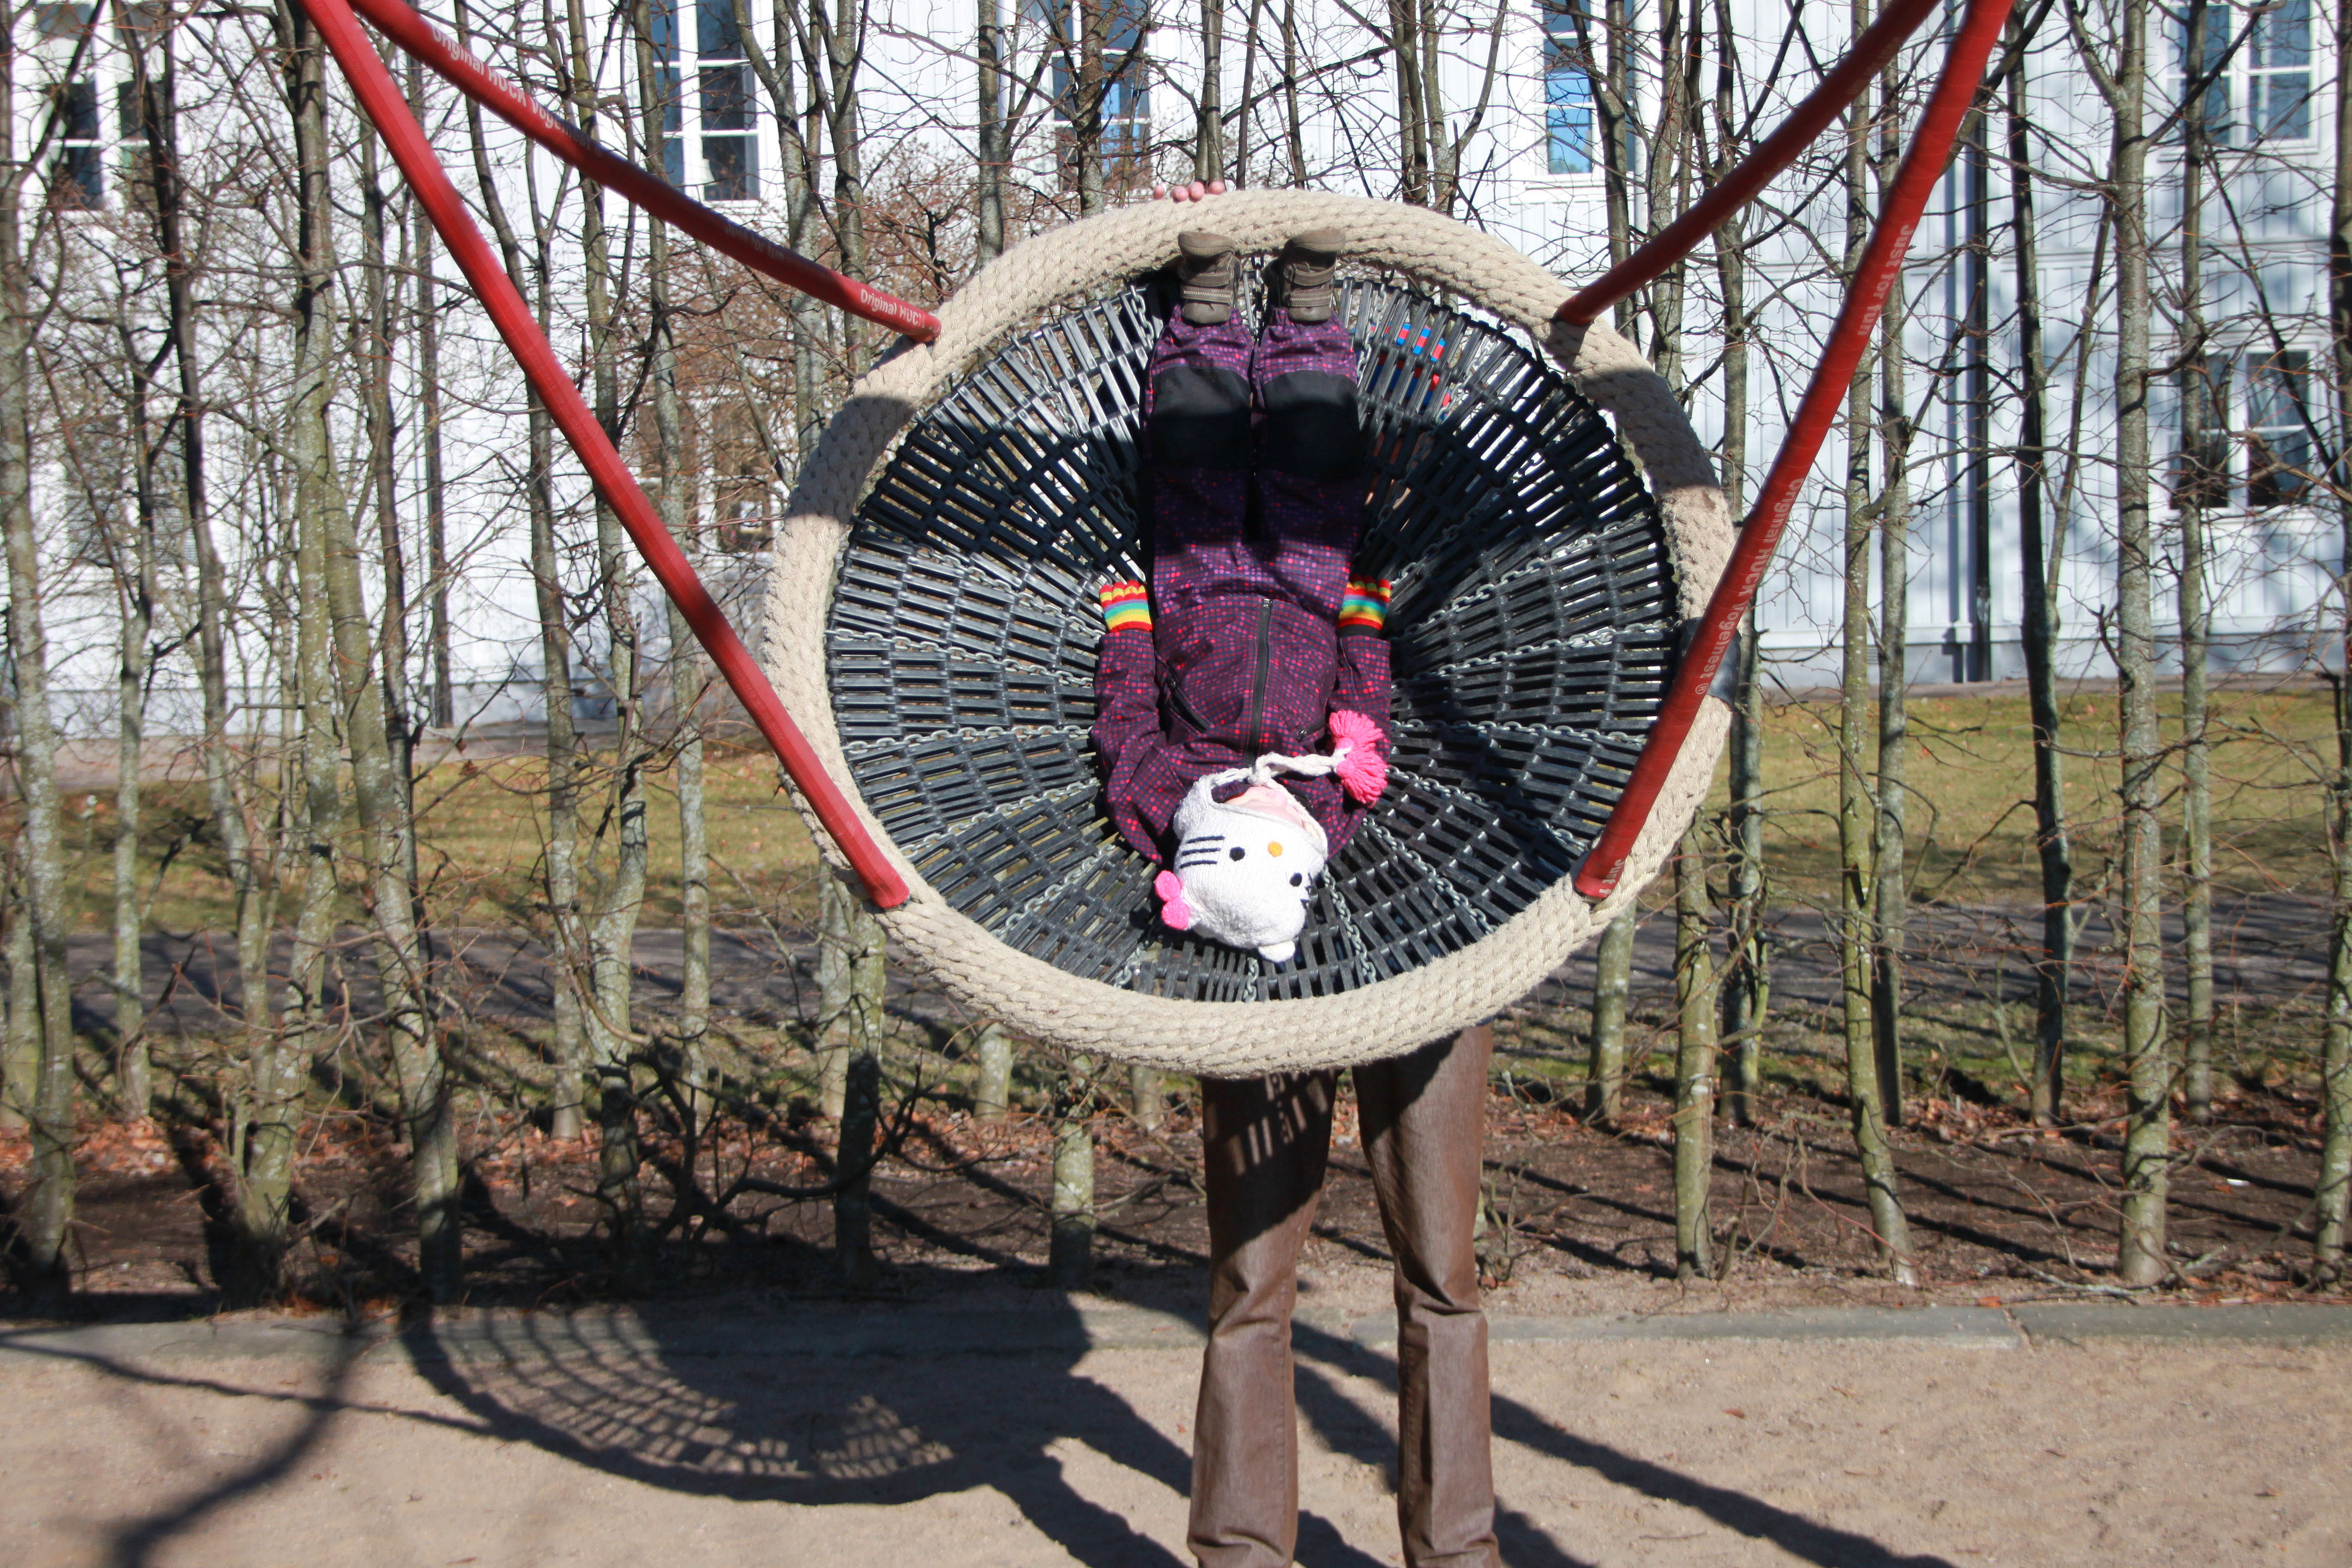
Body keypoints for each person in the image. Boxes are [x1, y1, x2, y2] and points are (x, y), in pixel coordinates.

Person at [1092, 211, 1503, 1568]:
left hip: (1431, 935)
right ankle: (1242, 1553)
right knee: (1252, 1281)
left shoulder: (1335, 778)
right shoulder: (1206, 796)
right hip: (1266, 950)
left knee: (1442, 1269)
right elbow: (1133, 745)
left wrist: (1370, 653)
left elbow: (1367, 726)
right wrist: (1137, 649)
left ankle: (1456, 1550)